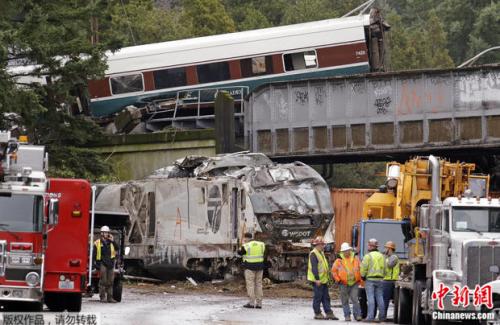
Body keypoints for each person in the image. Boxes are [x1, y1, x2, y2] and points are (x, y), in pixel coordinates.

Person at [307, 236, 339, 320]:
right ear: (317, 245)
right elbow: (314, 267)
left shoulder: (320, 253)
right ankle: (317, 313)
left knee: (326, 297)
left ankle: (329, 313)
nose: (323, 246)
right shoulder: (314, 253)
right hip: (317, 280)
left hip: (323, 280)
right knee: (318, 296)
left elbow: (323, 267)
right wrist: (317, 279)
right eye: (322, 244)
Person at [332, 242, 362, 321]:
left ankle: (357, 315)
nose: (346, 252)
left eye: (347, 250)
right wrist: (338, 280)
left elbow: (361, 269)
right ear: (342, 252)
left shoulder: (356, 259)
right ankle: (347, 316)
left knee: (355, 299)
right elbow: (333, 271)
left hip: (354, 283)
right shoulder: (338, 261)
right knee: (345, 301)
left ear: (350, 250)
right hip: (343, 283)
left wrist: (361, 281)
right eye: (344, 251)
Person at [360, 238, 386, 322]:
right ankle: (382, 317)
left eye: (369, 245)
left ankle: (370, 317)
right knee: (380, 298)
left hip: (370, 280)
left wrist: (363, 276)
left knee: (370, 298)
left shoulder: (368, 256)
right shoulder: (382, 256)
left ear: (371, 246)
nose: (368, 247)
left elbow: (363, 267)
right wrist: (383, 276)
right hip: (380, 279)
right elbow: (385, 268)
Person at [238, 232, 265, 309]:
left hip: (249, 267)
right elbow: (264, 253)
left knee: (250, 285)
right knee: (259, 284)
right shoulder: (261, 244)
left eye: (244, 238)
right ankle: (259, 303)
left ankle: (251, 303)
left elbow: (240, 253)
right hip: (260, 267)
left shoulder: (246, 245)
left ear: (246, 238)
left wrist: (240, 248)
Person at [94, 225, 119, 303]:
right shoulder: (97, 242)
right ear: (101, 233)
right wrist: (96, 265)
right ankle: (102, 297)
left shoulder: (111, 242)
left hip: (111, 263)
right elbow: (94, 255)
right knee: (103, 281)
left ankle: (110, 298)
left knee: (110, 281)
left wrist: (113, 241)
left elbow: (117, 248)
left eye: (107, 232)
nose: (106, 233)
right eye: (104, 232)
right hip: (102, 263)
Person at [382, 241, 400, 318]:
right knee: (384, 300)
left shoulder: (393, 257)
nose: (384, 249)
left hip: (390, 281)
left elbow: (389, 265)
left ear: (390, 249)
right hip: (387, 280)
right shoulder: (388, 257)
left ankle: (383, 316)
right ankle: (383, 315)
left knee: (385, 300)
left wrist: (384, 257)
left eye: (386, 248)